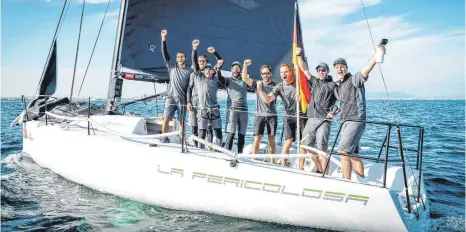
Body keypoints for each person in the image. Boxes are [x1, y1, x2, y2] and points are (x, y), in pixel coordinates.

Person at [334, 44, 386, 180]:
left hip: (355, 120)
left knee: (343, 151)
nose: (340, 69)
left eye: (341, 66)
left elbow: (367, 69)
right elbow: (341, 103)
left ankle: (347, 182)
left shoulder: (354, 79)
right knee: (353, 154)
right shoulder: (339, 85)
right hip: (344, 121)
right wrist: (333, 112)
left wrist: (376, 56)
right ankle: (361, 180)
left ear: (346, 67)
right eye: (337, 67)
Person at [296, 47, 339, 172]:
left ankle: (325, 173)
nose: (321, 72)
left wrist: (333, 112)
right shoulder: (314, 81)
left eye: (323, 70)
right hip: (311, 119)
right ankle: (320, 169)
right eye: (319, 70)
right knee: (305, 145)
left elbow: (342, 102)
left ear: (327, 71)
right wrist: (299, 55)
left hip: (324, 121)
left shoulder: (333, 85)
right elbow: (304, 69)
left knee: (322, 148)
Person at [256, 64, 306, 167]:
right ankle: (283, 166)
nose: (283, 74)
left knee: (301, 143)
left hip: (301, 116)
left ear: (290, 72)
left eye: (286, 72)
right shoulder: (279, 87)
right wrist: (260, 90)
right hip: (288, 116)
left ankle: (301, 168)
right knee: (288, 141)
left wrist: (301, 98)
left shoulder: (298, 84)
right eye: (281, 72)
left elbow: (309, 97)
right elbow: (268, 99)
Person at [188, 45, 225, 148]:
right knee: (201, 133)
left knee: (218, 133)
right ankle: (201, 151)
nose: (208, 70)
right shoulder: (199, 77)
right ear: (203, 71)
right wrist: (194, 49)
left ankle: (218, 151)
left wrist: (214, 53)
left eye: (210, 69)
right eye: (206, 69)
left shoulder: (215, 79)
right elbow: (195, 64)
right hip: (203, 110)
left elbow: (221, 61)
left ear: (213, 71)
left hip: (214, 110)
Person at [241, 59, 277, 162]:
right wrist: (245, 65)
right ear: (261, 75)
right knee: (257, 139)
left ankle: (272, 162)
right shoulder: (257, 84)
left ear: (270, 74)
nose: (265, 75)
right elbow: (244, 78)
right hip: (259, 115)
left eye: (267, 73)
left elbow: (268, 99)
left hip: (272, 116)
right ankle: (254, 160)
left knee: (272, 141)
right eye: (263, 73)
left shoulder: (275, 86)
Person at [160, 29, 193, 142]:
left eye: (182, 57)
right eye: (178, 57)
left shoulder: (190, 71)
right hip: (170, 97)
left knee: (181, 121)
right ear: (176, 59)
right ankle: (164, 138)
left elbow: (190, 88)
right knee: (166, 118)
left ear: (185, 58)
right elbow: (165, 53)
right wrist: (163, 39)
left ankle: (182, 141)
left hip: (182, 100)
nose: (180, 58)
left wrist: (189, 101)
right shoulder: (172, 67)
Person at [220, 61, 249, 154]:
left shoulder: (245, 80)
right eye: (234, 68)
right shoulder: (228, 80)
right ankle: (227, 155)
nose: (235, 69)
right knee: (231, 134)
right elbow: (219, 78)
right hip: (232, 111)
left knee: (242, 135)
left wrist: (245, 65)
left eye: (237, 68)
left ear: (240, 70)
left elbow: (253, 83)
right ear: (231, 70)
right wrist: (218, 68)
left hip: (244, 111)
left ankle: (240, 156)